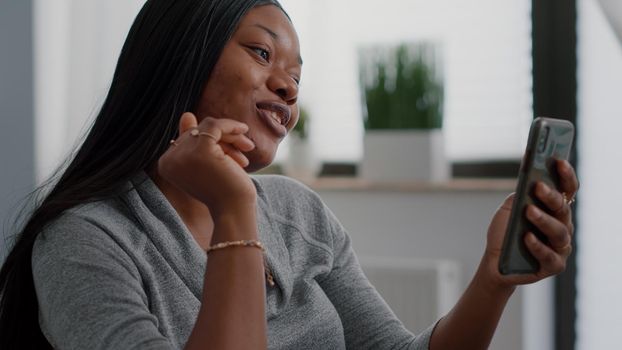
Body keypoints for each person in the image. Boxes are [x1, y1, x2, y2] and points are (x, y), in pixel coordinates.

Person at [0, 0, 579, 349]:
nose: (287, 85)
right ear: (182, 55)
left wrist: (493, 276)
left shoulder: (297, 213)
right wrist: (233, 208)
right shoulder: (85, 241)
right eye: (261, 54)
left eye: (297, 74)